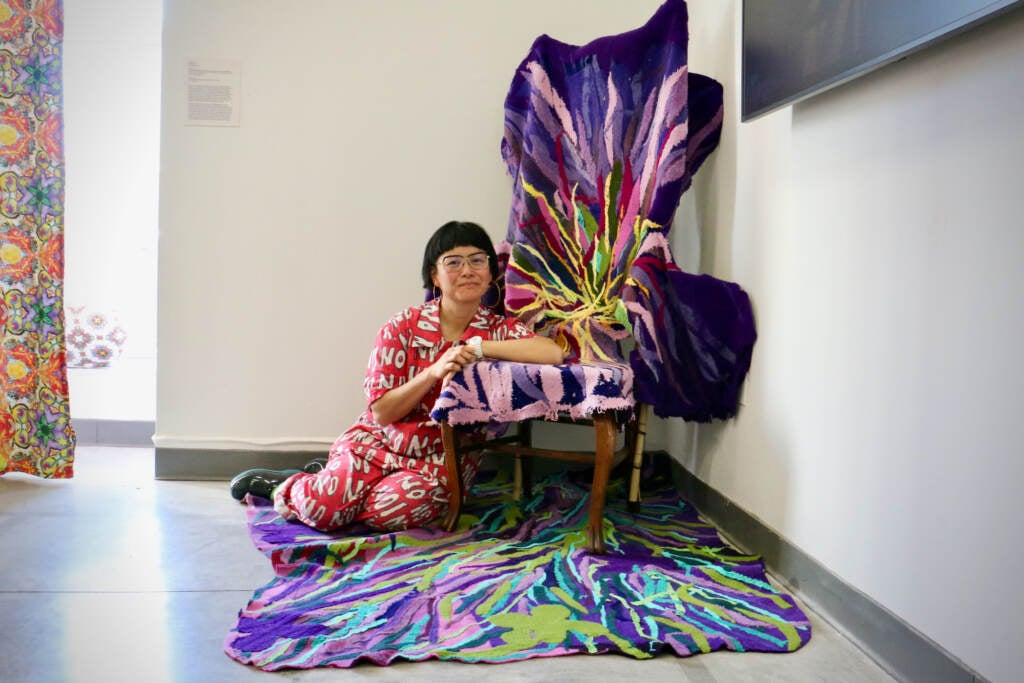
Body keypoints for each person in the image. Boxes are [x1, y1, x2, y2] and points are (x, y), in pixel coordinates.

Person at [230, 220, 564, 532]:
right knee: (323, 511)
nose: (467, 270)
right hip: (379, 441)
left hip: (444, 456)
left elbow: (552, 353)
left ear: (491, 272)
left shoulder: (497, 330)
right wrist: (433, 372)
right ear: (434, 276)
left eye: (478, 260)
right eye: (453, 262)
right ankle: (295, 486)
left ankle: (332, 484)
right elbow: (383, 412)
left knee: (388, 513)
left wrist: (478, 347)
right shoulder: (401, 326)